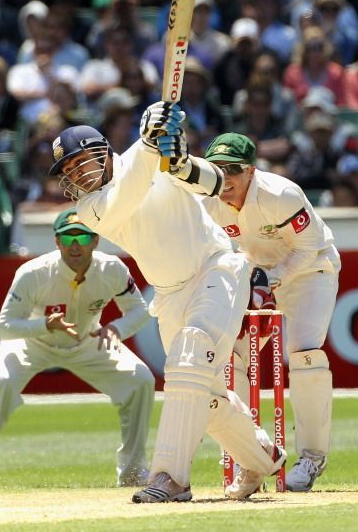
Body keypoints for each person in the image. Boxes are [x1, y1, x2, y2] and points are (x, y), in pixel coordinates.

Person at [47, 106, 286, 503]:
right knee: (201, 397)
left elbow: (213, 183)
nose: (75, 177)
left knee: (189, 360)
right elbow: (124, 197)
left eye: (78, 164)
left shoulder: (150, 158)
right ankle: (263, 457)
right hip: (169, 293)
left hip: (217, 269)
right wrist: (150, 148)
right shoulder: (89, 210)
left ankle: (170, 477)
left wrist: (177, 161)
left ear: (103, 151)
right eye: (67, 174)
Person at [0, 208, 155, 488]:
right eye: (67, 237)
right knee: (0, 382)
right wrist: (45, 325)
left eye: (82, 237)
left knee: (141, 380)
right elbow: (5, 327)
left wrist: (116, 329)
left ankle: (132, 471)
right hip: (31, 342)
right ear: (56, 242)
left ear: (96, 240)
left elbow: (139, 311)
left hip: (87, 339)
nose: (74, 245)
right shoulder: (33, 272)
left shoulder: (112, 269)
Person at [202, 132, 340, 492]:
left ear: (251, 171)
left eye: (233, 169)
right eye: (217, 169)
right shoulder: (207, 201)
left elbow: (309, 245)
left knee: (305, 355)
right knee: (232, 359)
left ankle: (311, 457)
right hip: (257, 276)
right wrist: (252, 283)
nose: (225, 178)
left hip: (311, 271)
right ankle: (247, 456)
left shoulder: (281, 194)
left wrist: (271, 280)